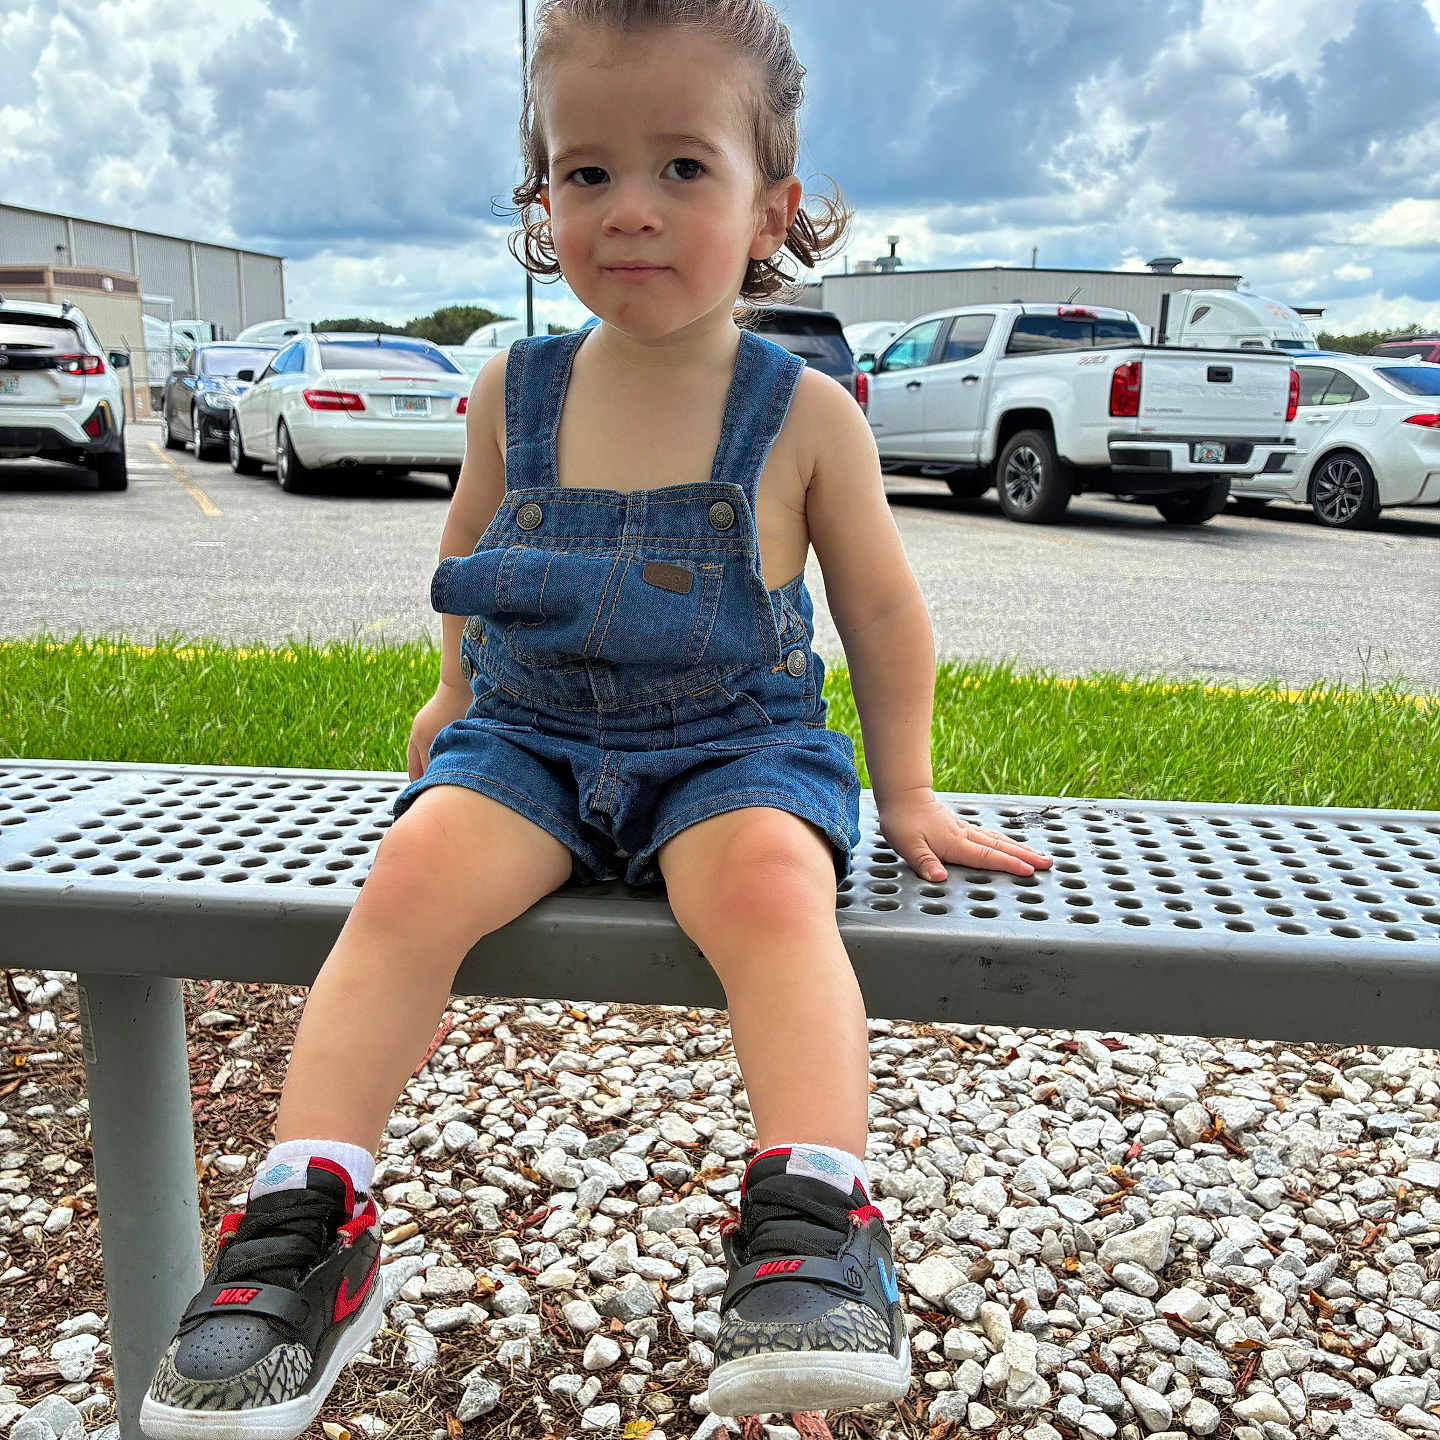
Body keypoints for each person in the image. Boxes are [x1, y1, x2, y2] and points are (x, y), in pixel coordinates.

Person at [139, 2, 1050, 1436]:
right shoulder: (517, 389)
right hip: (532, 737)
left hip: (731, 747)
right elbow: (471, 549)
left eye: (684, 167)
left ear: (773, 211)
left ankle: (817, 1221)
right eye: (588, 171)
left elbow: (880, 612)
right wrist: (454, 691)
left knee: (771, 886)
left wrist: (909, 792)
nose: (631, 208)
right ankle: (312, 1216)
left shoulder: (807, 412)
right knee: (410, 874)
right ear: (542, 198)